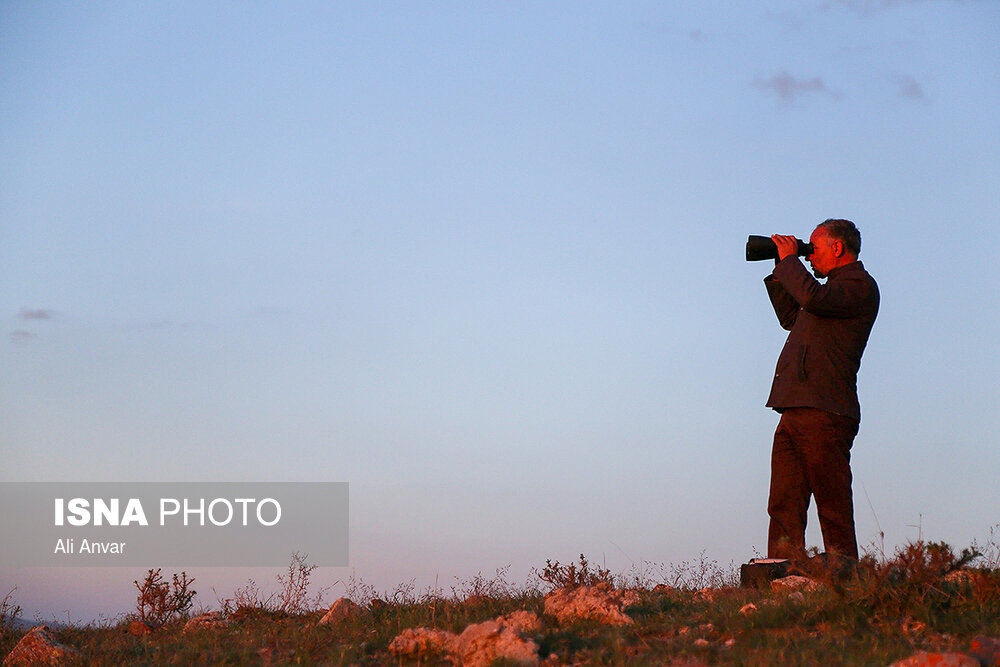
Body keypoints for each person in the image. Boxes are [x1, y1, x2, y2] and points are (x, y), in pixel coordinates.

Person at [762, 219, 879, 562]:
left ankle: (845, 574)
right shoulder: (824, 295)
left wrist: (791, 262)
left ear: (838, 248)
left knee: (832, 502)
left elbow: (812, 296)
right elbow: (790, 314)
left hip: (826, 409)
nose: (810, 255)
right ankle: (782, 574)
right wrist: (780, 267)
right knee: (784, 502)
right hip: (795, 406)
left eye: (815, 247)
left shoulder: (858, 287)